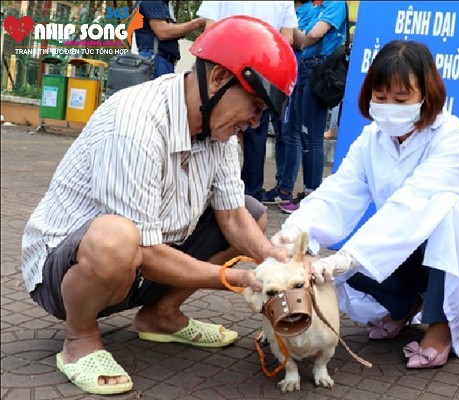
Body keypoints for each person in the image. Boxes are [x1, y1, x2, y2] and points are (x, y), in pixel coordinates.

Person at [21, 16, 297, 396]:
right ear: (217, 79)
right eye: (256, 104)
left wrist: (274, 260)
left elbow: (233, 217)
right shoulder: (135, 124)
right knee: (116, 236)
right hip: (67, 269)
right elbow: (143, 248)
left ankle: (161, 316)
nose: (254, 122)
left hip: (143, 259)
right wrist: (234, 278)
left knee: (253, 213)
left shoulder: (219, 135)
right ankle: (79, 337)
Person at [271, 40, 459, 369]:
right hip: (402, 247)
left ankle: (441, 326)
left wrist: (350, 257)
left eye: (401, 99)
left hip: (457, 253)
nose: (389, 106)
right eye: (381, 97)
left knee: (443, 211)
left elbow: (414, 203)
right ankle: (404, 306)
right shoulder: (371, 138)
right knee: (349, 262)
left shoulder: (451, 135)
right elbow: (339, 191)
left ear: (426, 95)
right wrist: (296, 230)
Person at [196, 1, 298, 202]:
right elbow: (287, 39)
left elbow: (210, 29)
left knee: (212, 129)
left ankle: (205, 190)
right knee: (255, 137)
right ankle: (249, 194)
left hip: (225, 70)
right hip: (263, 72)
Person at [278, 0, 348, 213]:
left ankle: (312, 193)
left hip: (320, 69)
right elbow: (301, 38)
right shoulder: (315, 5)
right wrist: (301, 37)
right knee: (302, 132)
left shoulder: (335, 4)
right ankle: (308, 192)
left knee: (313, 136)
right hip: (305, 69)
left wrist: (299, 35)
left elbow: (314, 34)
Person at [262, 0, 317, 204]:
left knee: (290, 133)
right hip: (275, 76)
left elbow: (299, 40)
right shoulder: (284, 9)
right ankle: (280, 183)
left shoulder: (311, 11)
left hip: (294, 76)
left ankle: (286, 188)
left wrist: (288, 34)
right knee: (280, 133)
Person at [135, 0, 205, 77]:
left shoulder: (165, 4)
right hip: (155, 60)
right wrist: (197, 23)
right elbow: (162, 32)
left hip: (162, 61)